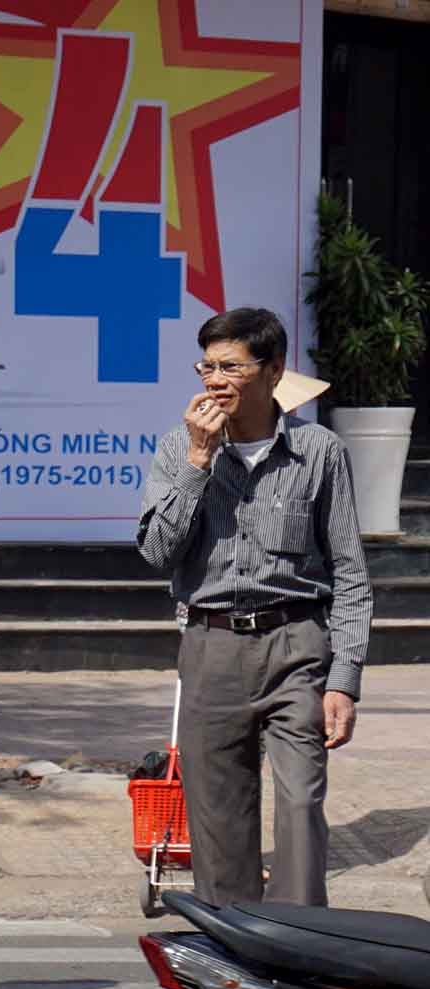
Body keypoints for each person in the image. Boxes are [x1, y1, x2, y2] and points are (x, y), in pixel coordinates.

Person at [137, 307, 373, 906]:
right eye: (207, 367)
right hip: (210, 646)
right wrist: (197, 463)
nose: (215, 381)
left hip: (297, 645)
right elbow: (158, 553)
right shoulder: (179, 448)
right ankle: (234, 949)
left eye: (231, 367)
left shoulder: (319, 451)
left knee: (300, 802)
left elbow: (350, 571)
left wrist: (344, 680)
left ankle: (299, 942)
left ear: (273, 371)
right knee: (218, 816)